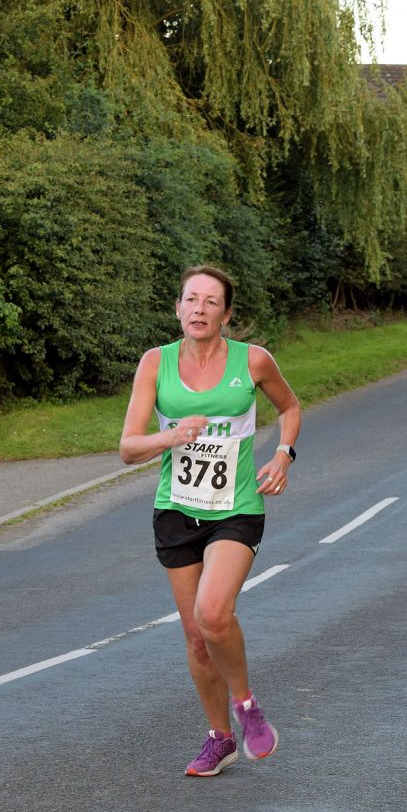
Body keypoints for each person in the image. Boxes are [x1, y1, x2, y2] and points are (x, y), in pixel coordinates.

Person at [120, 265, 301, 776]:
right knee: (196, 637)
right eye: (190, 300)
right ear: (177, 308)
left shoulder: (254, 361)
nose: (199, 310)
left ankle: (247, 707)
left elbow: (290, 407)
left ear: (226, 313)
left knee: (214, 612)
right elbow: (129, 447)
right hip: (176, 509)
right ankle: (219, 737)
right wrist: (168, 436)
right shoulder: (155, 364)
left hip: (237, 509)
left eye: (210, 302)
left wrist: (284, 454)